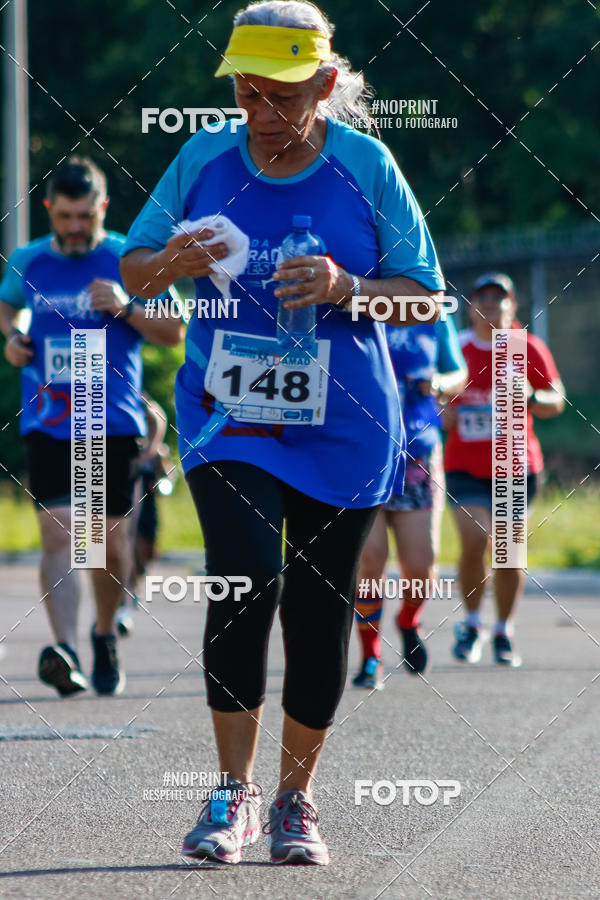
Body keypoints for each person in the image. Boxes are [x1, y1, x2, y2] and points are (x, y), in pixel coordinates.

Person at [120, 0, 444, 866]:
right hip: (230, 419)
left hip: (345, 428)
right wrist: (172, 265)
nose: (259, 114)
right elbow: (133, 269)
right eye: (245, 93)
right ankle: (232, 795)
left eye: (280, 95)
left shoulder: (368, 167)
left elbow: (425, 294)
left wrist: (347, 287)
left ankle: (296, 801)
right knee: (244, 578)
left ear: (327, 85)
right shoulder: (201, 158)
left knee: (317, 611)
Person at [0, 157, 183, 697]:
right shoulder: (29, 260)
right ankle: (67, 652)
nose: (75, 227)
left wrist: (127, 309)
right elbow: (9, 313)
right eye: (65, 217)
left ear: (102, 208)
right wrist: (12, 341)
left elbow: (175, 331)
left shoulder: (130, 259)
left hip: (113, 419)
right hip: (51, 419)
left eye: (85, 216)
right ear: (49, 209)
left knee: (107, 543)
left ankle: (104, 633)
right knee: (59, 529)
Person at [442, 273, 565, 666]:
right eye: (484, 298)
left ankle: (503, 630)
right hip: (465, 466)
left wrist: (531, 396)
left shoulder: (527, 347)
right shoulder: (455, 347)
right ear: (470, 305)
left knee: (509, 551)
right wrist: (443, 409)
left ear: (513, 307)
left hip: (515, 465)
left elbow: (556, 400)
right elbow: (433, 396)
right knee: (475, 538)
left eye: (501, 299)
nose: (492, 305)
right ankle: (473, 622)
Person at [353, 316, 467, 689]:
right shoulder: (350, 302)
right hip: (362, 452)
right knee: (369, 559)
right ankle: (371, 656)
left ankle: (407, 621)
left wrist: (437, 384)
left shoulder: (434, 317)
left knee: (421, 566)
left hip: (417, 456)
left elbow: (458, 374)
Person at [116, 393, 176, 637]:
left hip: (148, 498)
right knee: (124, 544)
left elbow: (169, 477)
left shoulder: (157, 449)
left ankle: (136, 581)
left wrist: (155, 457)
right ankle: (123, 597)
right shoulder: (120, 443)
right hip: (124, 494)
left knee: (146, 547)